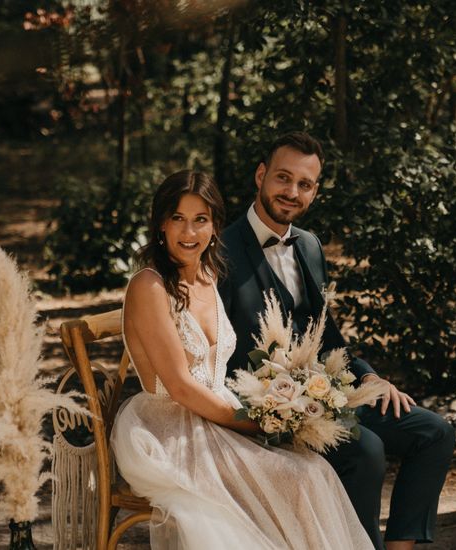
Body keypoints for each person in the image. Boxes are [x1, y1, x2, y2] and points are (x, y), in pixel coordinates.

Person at [110, 170, 373, 549]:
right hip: (173, 428)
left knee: (315, 472)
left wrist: (277, 405)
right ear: (161, 224)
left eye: (200, 220)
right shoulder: (150, 286)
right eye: (178, 219)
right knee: (297, 480)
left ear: (215, 225)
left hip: (219, 415)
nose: (189, 232)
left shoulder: (207, 273)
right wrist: (254, 424)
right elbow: (182, 386)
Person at [219, 131, 456, 550]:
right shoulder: (220, 250)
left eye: (304, 184)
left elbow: (325, 337)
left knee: (434, 432)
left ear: (315, 191)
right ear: (261, 175)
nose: (292, 192)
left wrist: (369, 378)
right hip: (261, 411)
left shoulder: (308, 245)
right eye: (283, 178)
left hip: (323, 396)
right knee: (366, 450)